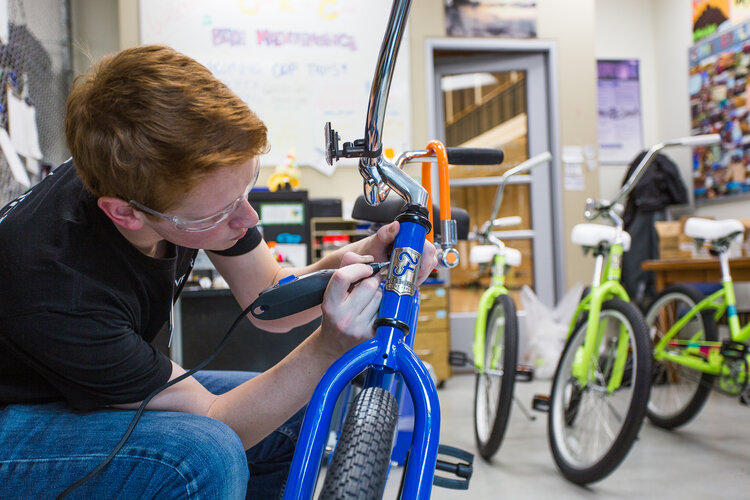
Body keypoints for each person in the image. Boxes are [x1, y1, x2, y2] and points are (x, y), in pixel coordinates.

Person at [0, 45, 436, 499]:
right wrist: (330, 347)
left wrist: (367, 252)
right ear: (126, 214)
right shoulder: (54, 286)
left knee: (291, 411)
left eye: (246, 187)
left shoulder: (158, 174)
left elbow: (267, 299)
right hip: (15, 413)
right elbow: (218, 419)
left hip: (74, 378)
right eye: (221, 211)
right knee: (206, 455)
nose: (247, 218)